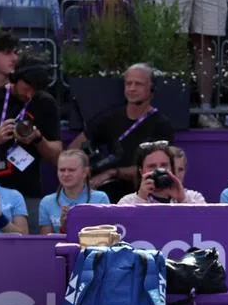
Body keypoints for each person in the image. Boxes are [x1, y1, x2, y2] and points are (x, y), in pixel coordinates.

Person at [0, 51, 64, 229]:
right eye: (26, 88)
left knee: (24, 247)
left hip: (28, 188)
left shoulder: (45, 103)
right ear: (15, 78)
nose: (29, 95)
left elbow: (56, 153)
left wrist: (38, 139)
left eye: (35, 91)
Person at [69, 63, 176, 203]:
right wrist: (84, 171)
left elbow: (160, 166)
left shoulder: (162, 124)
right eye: (128, 83)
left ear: (152, 88)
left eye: (138, 84)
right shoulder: (109, 117)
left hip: (144, 194)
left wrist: (112, 172)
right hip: (104, 194)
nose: (132, 88)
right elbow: (73, 149)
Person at [38, 149, 109, 233]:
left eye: (71, 170)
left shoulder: (100, 199)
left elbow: (105, 237)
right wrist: (63, 228)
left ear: (85, 172)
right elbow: (45, 242)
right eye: (62, 170)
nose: (66, 174)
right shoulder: (47, 202)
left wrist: (76, 223)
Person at [118, 140, 207, 204]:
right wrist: (141, 199)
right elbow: (129, 227)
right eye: (152, 166)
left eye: (164, 165)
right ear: (141, 172)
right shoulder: (127, 202)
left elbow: (200, 226)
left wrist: (182, 200)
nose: (159, 171)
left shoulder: (194, 198)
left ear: (172, 168)